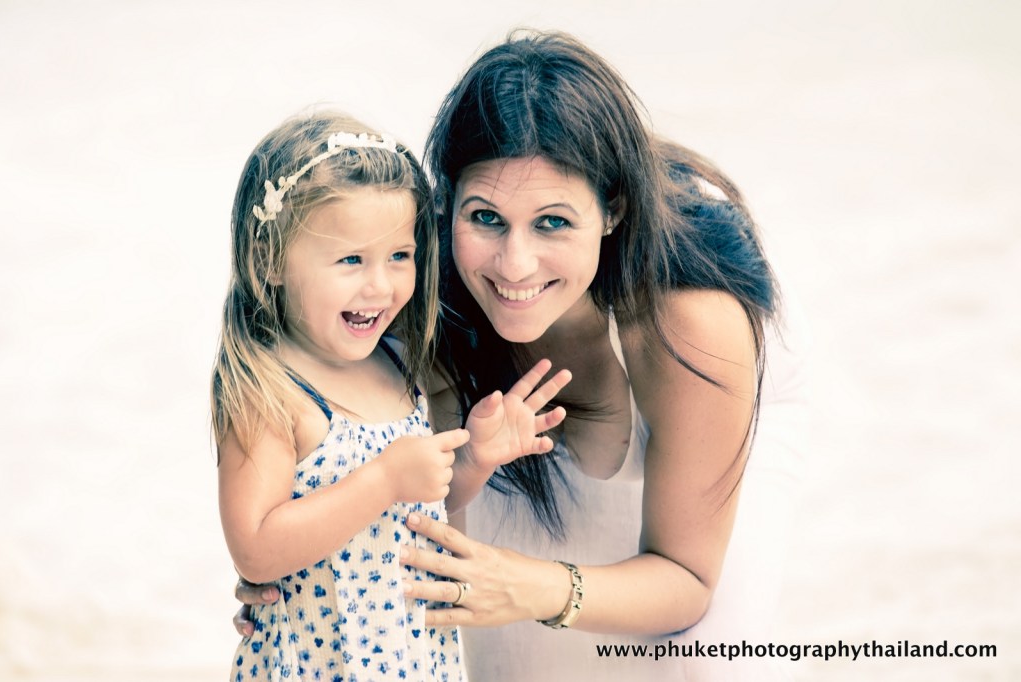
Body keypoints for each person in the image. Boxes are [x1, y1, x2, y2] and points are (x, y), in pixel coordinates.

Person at [235, 32, 810, 681]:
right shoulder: (416, 286)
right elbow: (324, 464)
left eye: (553, 223)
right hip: (499, 422)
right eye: (486, 218)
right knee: (493, 649)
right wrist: (288, 578)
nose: (515, 264)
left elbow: (686, 581)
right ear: (447, 201)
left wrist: (534, 585)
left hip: (710, 397)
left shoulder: (692, 323)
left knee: (704, 661)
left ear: (613, 209)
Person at [212, 110, 570, 681]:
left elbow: (418, 511)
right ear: (270, 260)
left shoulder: (397, 363)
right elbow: (254, 549)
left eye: (399, 256)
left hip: (412, 660)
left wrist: (473, 460)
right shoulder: (272, 392)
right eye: (351, 259)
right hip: (321, 665)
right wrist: (381, 480)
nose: (381, 286)